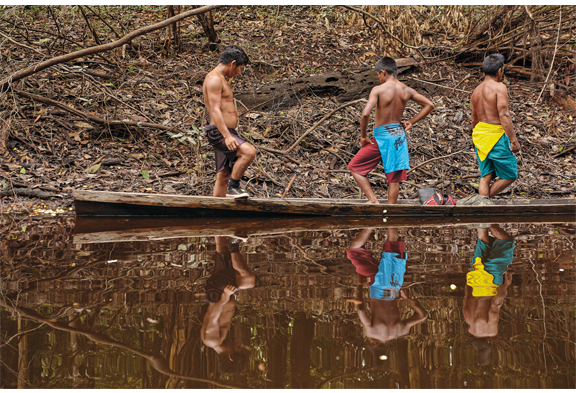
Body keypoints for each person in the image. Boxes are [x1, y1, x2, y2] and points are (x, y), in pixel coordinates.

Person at [348, 57, 434, 204]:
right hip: (397, 136)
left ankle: (373, 200)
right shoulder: (407, 90)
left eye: (378, 75)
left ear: (383, 72)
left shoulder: (378, 90)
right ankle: (390, 213)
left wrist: (363, 136)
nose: (379, 78)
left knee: (355, 167)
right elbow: (429, 105)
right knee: (394, 180)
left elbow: (365, 114)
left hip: (381, 136)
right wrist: (411, 121)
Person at [346, 228, 428, 346]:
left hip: (395, 286)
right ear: (376, 344)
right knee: (354, 251)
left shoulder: (401, 331)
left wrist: (406, 298)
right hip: (377, 284)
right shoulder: (372, 333)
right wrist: (359, 285)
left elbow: (423, 315)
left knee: (392, 243)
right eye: (372, 343)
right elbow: (361, 310)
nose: (371, 341)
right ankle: (370, 226)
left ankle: (389, 216)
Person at [202, 45, 256, 198]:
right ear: (233, 63)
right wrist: (227, 136)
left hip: (226, 131)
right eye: (240, 68)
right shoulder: (214, 79)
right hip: (220, 132)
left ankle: (218, 212)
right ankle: (234, 186)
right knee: (249, 152)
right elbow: (215, 110)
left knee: (223, 176)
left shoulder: (221, 79)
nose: (239, 73)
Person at [201, 236, 255, 375]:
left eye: (237, 350)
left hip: (218, 294)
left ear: (230, 356)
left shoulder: (212, 341)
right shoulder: (219, 341)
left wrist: (225, 297)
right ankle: (220, 228)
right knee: (222, 251)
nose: (237, 346)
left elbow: (213, 317)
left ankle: (234, 246)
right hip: (220, 294)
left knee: (249, 281)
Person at [470, 54, 520, 201]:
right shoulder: (500, 87)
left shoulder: (476, 91)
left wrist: (477, 140)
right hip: (496, 137)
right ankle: (482, 201)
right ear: (499, 71)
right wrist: (513, 140)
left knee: (486, 176)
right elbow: (504, 115)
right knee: (510, 174)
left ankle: (481, 206)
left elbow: (474, 120)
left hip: (480, 137)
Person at [463, 224, 514, 365]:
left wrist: (506, 285)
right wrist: (470, 278)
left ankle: (489, 221)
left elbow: (496, 304)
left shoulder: (490, 331)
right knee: (483, 242)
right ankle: (480, 219)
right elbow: (466, 295)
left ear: (488, 341)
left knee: (507, 241)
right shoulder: (468, 321)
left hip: (491, 281)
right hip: (474, 280)